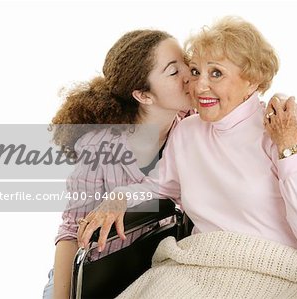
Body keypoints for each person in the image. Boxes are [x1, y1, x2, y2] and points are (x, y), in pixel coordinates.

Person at [77, 14, 297, 279]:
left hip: (278, 269)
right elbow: (159, 186)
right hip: (203, 264)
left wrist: (289, 148)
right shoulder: (188, 131)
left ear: (252, 81)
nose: (200, 86)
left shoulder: (283, 129)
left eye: (216, 73)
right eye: (195, 71)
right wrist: (120, 196)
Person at [43, 29, 193, 299]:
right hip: (95, 273)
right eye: (173, 72)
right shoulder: (97, 147)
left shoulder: (193, 123)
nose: (189, 73)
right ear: (144, 96)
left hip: (151, 268)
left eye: (186, 61)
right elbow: (70, 231)